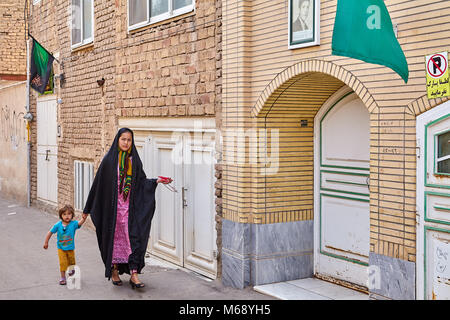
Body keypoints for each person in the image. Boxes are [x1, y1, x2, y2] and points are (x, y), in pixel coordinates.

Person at [82, 128, 172, 289]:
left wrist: (156, 181)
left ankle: (134, 274)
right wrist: (87, 209)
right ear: (118, 140)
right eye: (123, 139)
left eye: (129, 140)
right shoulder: (109, 161)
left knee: (134, 240)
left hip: (130, 211)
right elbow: (98, 186)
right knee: (114, 242)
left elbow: (141, 182)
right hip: (113, 213)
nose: (126, 142)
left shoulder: (134, 161)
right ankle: (114, 271)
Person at [43, 205, 87, 285]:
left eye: (69, 214)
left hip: (70, 248)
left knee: (72, 262)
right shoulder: (58, 225)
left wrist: (84, 218)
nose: (67, 216)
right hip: (61, 248)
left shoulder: (73, 224)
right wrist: (46, 242)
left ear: (72, 215)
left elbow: (80, 223)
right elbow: (50, 232)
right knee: (63, 263)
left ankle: (72, 270)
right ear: (61, 215)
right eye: (64, 214)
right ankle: (63, 278)